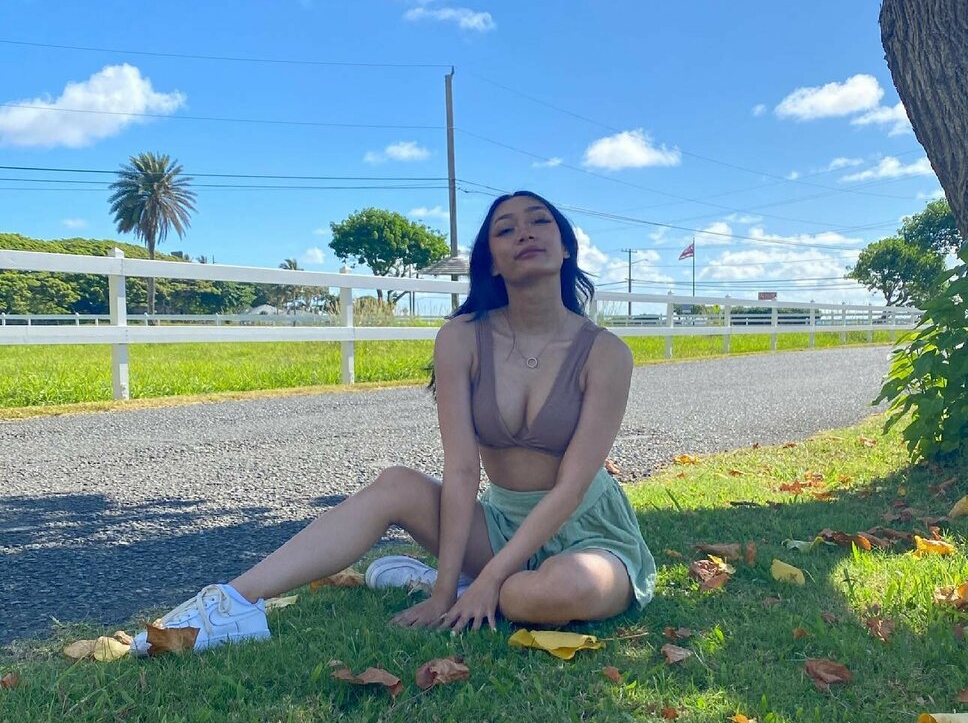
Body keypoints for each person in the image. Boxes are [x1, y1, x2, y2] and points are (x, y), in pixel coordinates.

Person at [131, 191, 656, 653]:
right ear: (492, 263)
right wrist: (444, 594)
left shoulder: (606, 353)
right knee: (397, 484)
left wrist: (490, 580)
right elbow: (461, 471)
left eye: (539, 221)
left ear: (565, 249)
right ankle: (231, 604)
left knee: (531, 595)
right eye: (505, 229)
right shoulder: (463, 338)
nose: (524, 232)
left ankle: (480, 580)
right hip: (499, 526)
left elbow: (570, 488)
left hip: (588, 534)